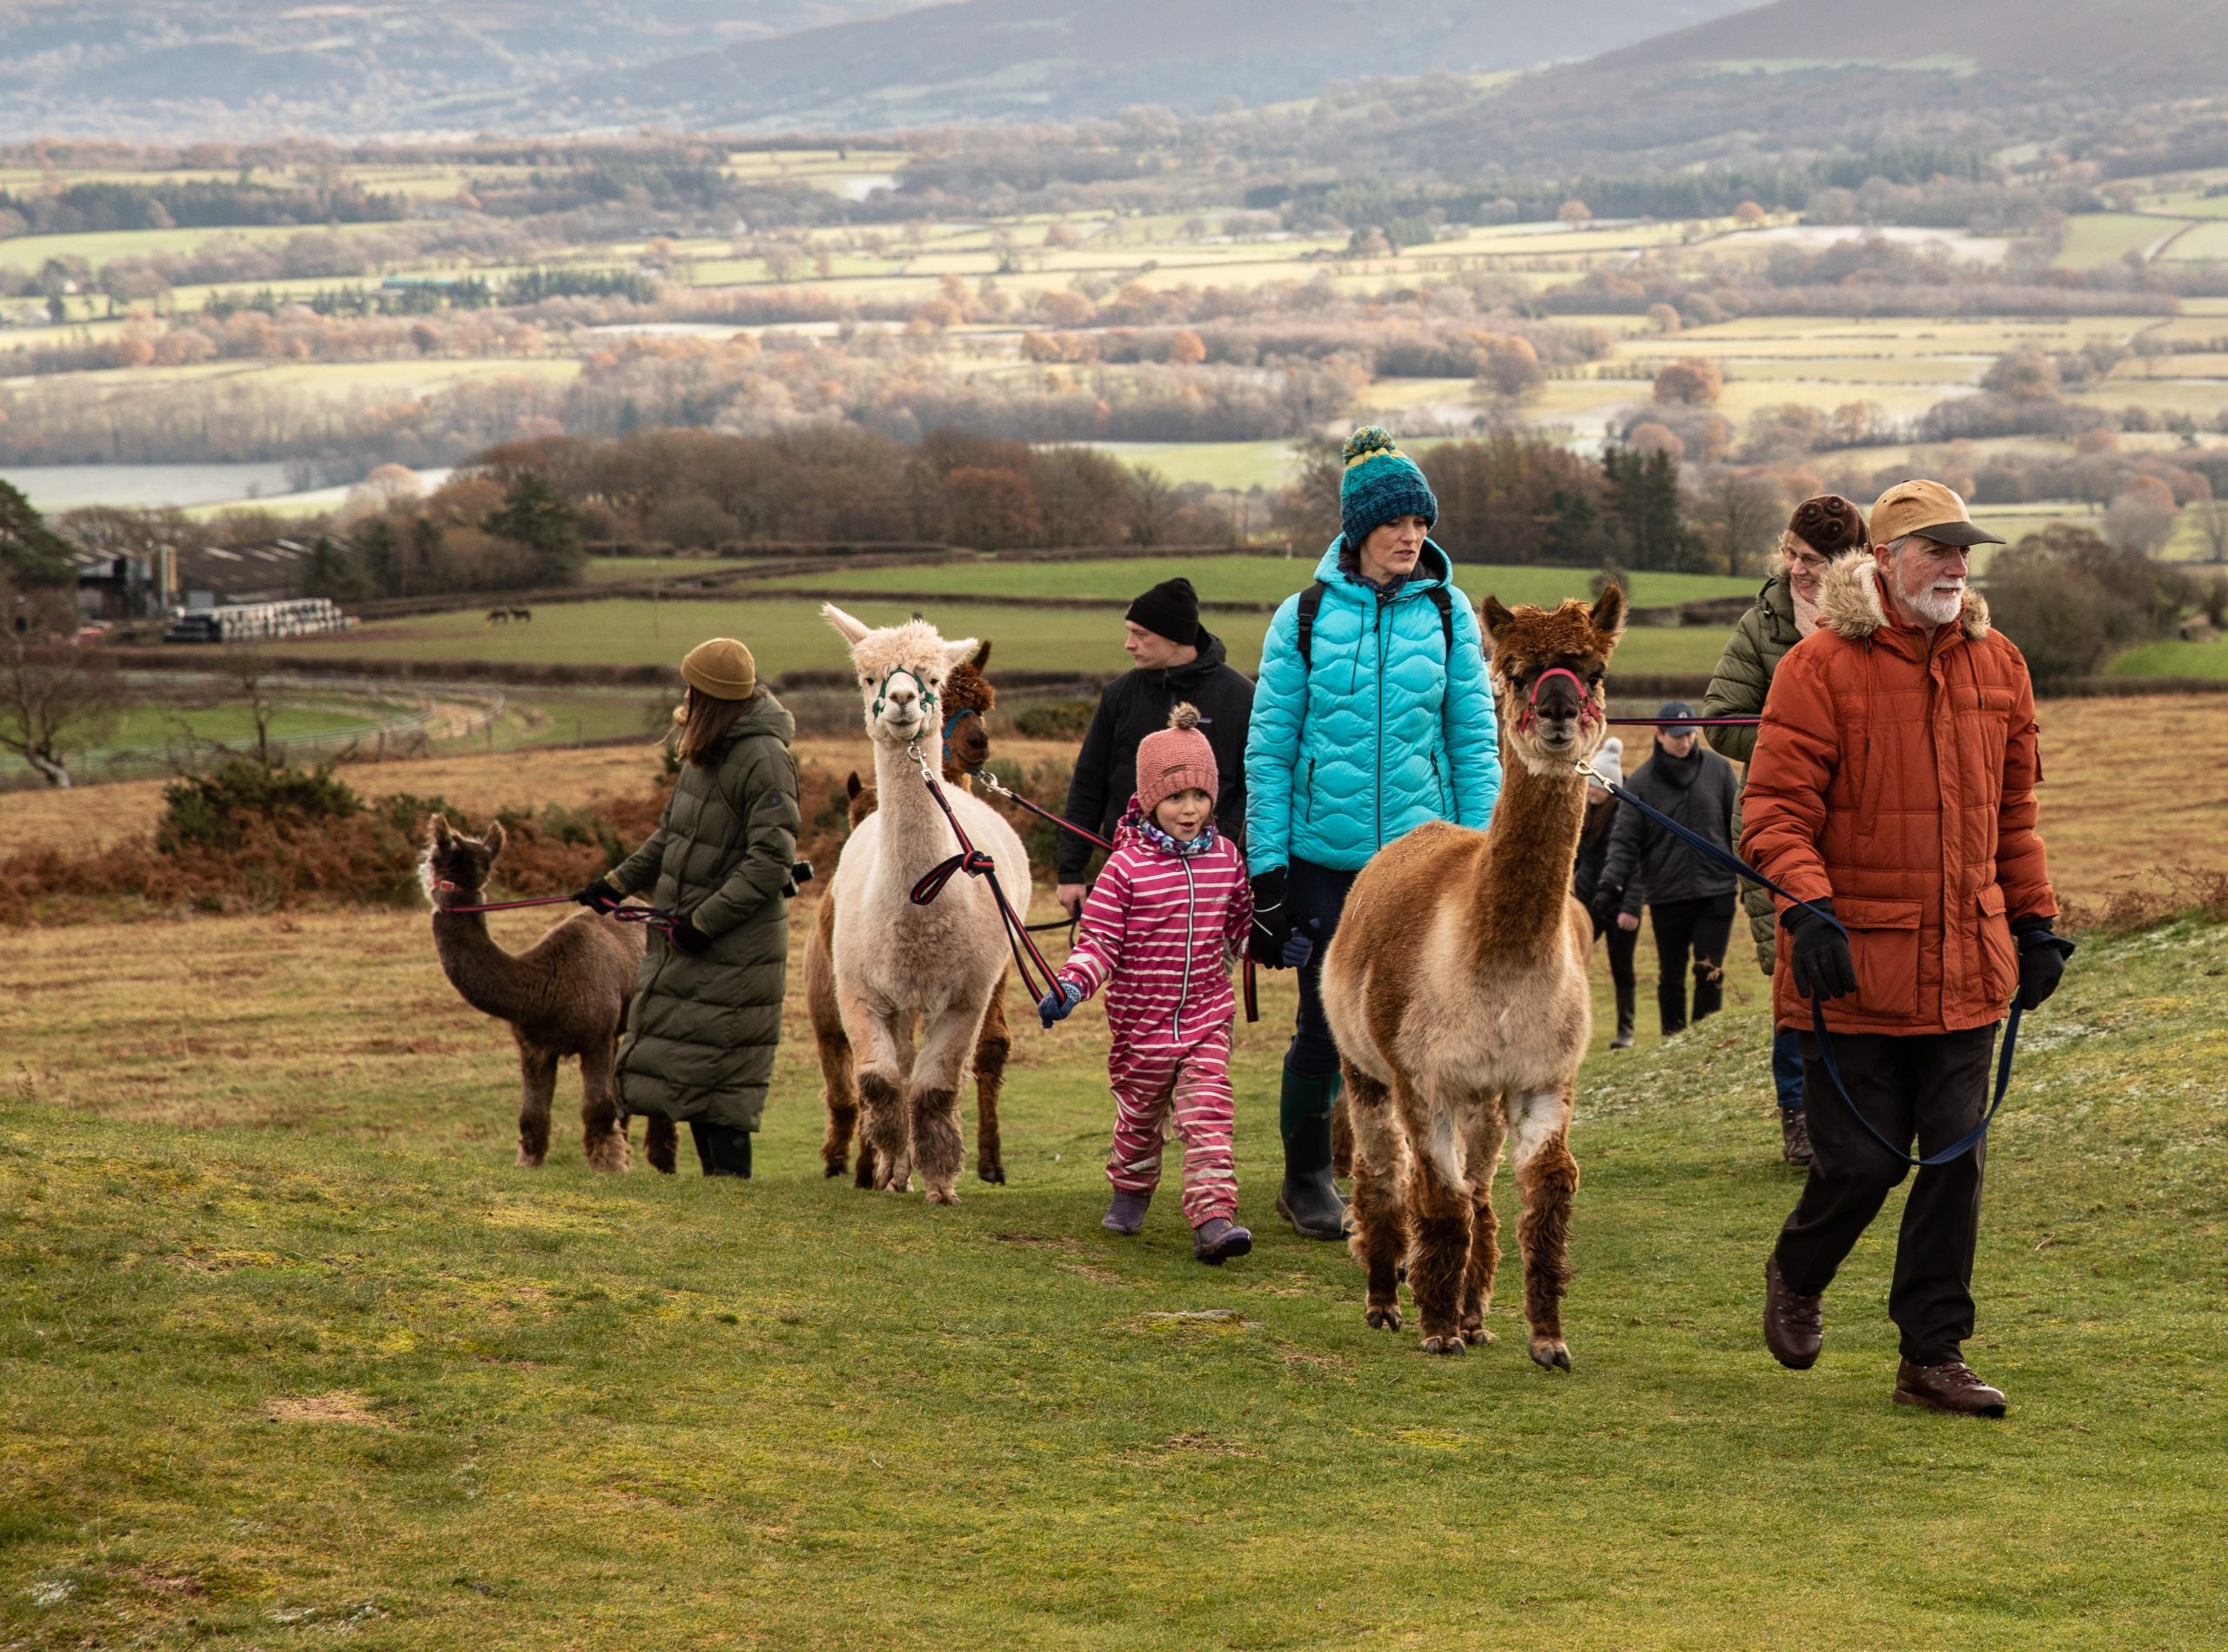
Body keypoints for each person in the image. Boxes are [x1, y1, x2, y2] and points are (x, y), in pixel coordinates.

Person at [1745, 479, 2073, 1417]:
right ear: (1883, 560)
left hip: (1970, 966)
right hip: (1851, 968)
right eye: (1936, 549)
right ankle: (1798, 1268)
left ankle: (1931, 1354)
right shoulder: (1816, 667)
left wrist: (2035, 920)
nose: (1957, 566)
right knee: (1862, 1164)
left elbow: (2014, 814)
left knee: (1954, 1158)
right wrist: (1808, 911)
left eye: (1964, 549)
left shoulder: (1999, 663)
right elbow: (1771, 813)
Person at [1245, 426, 1500, 1239]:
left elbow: (1472, 743)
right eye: (1395, 524)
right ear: (1358, 530)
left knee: (1431, 1026)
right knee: (1324, 1033)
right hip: (1326, 860)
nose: (1411, 537)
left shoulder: (1451, 615)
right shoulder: (1305, 617)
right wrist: (1269, 868)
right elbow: (1271, 747)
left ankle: (1424, 1175)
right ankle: (1307, 1177)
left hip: (1427, 869)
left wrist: (1483, 855)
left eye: (1420, 523)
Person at [1038, 706, 1305, 1263]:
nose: (1190, 810)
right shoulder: (1123, 869)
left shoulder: (1227, 859)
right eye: (1176, 798)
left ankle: (1213, 1219)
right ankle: (1130, 1189)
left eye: (1201, 797)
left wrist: (1275, 944)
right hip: (1142, 1026)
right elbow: (1099, 944)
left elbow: (1238, 930)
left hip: (1208, 1017)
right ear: (1147, 801)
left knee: (1208, 1113)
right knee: (1140, 1118)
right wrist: (1070, 986)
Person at [576, 636, 802, 1179]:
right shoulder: (708, 754)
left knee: (721, 1079)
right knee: (694, 1072)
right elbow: (670, 838)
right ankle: (718, 1198)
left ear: (710, 698)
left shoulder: (765, 758)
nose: (683, 695)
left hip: (736, 950)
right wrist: (613, 886)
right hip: (692, 940)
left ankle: (730, 1196)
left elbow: (771, 861)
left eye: (691, 688)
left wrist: (704, 923)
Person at [1702, 493, 1870, 1165]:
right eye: (1792, 554)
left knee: (1863, 965)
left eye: (1814, 559)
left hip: (1863, 823)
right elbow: (1718, 719)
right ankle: (1798, 1117)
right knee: (1794, 972)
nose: (1798, 570)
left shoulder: (1876, 618)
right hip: (1779, 819)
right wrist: (1800, 744)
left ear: (1848, 564)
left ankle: (1862, 1109)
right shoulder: (1762, 623)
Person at [1054, 577, 1254, 920]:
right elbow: (1090, 781)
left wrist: (1220, 851)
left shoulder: (1239, 697)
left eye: (1141, 634)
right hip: (1126, 879)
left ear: (1176, 637)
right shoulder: (1119, 695)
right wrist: (1071, 871)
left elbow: (1255, 788)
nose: (1129, 644)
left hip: (1208, 886)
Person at [1594, 702, 1741, 1038]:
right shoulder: (1642, 783)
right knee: (1671, 977)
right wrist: (1609, 884)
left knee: (1709, 971)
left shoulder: (1719, 770)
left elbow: (1738, 829)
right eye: (1676, 736)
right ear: (1658, 734)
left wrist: (1752, 884)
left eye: (1690, 734)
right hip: (1667, 895)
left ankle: (1705, 1041)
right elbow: (1624, 842)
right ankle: (1673, 1042)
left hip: (1716, 892)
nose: (1684, 742)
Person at [1572, 737, 1637, 1049]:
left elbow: (1635, 867)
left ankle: (1626, 1030)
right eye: (1589, 784)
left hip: (1619, 904)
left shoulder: (1625, 818)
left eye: (1597, 785)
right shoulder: (1583, 818)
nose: (1591, 790)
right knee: (1575, 962)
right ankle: (1574, 1022)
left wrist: (1631, 908)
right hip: (1587, 903)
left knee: (1621, 965)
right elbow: (1576, 858)